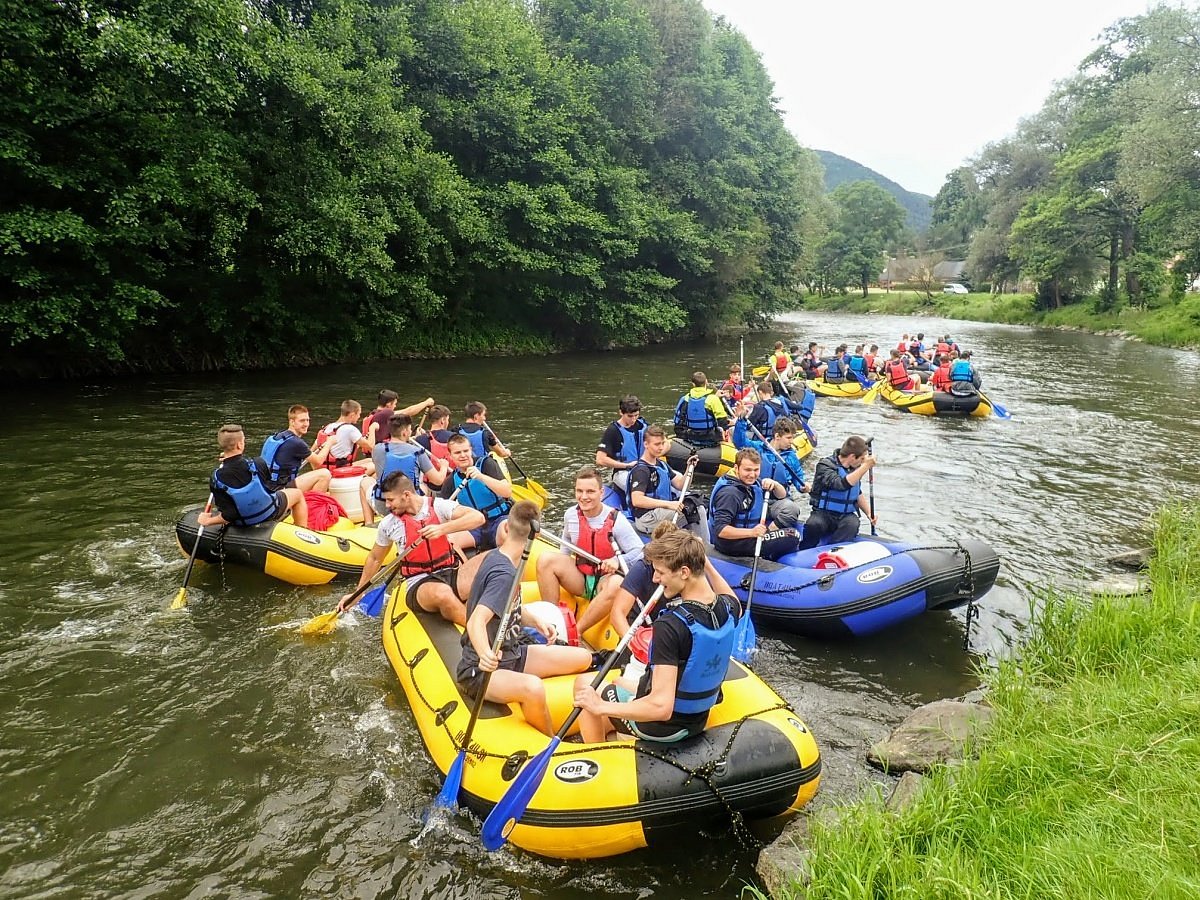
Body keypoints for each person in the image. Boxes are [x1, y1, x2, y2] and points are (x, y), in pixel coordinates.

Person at [572, 528, 741, 744]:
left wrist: (599, 706)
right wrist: (704, 563)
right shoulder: (726, 609)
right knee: (619, 680)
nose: (655, 578)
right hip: (697, 718)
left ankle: (596, 757)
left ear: (684, 572)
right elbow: (731, 598)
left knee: (586, 688)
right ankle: (617, 735)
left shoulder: (670, 626)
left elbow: (661, 707)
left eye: (660, 572)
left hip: (662, 727)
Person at [457, 501, 594, 736]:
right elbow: (475, 621)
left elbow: (510, 607)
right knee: (533, 687)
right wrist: (484, 654)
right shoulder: (504, 573)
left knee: (582, 657)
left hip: (514, 653)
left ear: (506, 528)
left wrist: (536, 622)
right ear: (537, 534)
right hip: (481, 670)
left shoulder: (505, 560)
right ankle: (550, 744)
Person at [337, 472, 485, 624]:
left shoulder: (438, 506)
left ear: (406, 495)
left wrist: (443, 529)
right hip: (419, 582)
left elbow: (478, 518)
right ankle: (477, 633)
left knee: (493, 558)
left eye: (390, 500)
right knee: (443, 593)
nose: (387, 505)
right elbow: (375, 558)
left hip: (450, 572)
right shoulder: (388, 524)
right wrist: (357, 594)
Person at [536, 466, 644, 605]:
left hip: (607, 579)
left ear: (601, 492)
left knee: (615, 584)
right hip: (581, 578)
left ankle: (581, 625)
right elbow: (565, 550)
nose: (584, 497)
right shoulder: (570, 515)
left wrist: (616, 560)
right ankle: (552, 617)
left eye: (590, 491)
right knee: (545, 559)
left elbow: (640, 552)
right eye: (579, 491)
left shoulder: (616, 519)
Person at [199, 424, 308, 529]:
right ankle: (302, 533)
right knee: (297, 494)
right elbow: (270, 490)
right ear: (239, 445)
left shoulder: (216, 477)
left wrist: (208, 521)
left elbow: (229, 515)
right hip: (269, 512)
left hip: (243, 521)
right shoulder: (258, 463)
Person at [708, 447, 799, 561]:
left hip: (749, 534)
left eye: (756, 470)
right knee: (792, 535)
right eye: (748, 470)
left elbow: (782, 495)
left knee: (790, 509)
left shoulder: (752, 482)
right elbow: (721, 531)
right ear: (736, 468)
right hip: (732, 545)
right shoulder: (729, 494)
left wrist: (774, 484)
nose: (752, 475)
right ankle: (775, 563)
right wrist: (752, 532)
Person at [359, 413, 450, 525]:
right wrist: (444, 466)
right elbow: (438, 480)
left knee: (365, 482)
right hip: (409, 506)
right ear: (404, 432)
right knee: (424, 486)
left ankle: (369, 523)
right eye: (410, 429)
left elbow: (380, 472)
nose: (410, 432)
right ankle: (423, 518)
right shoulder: (418, 452)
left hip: (384, 506)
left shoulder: (377, 449)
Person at [798, 435, 877, 550]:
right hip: (823, 513)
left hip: (845, 515)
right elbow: (840, 485)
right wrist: (865, 467)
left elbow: (857, 492)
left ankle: (833, 551)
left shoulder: (855, 468)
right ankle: (805, 550)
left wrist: (869, 513)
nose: (862, 462)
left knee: (853, 524)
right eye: (861, 459)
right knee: (814, 524)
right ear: (852, 457)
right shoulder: (825, 465)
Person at [731, 413, 808, 529]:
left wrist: (803, 486)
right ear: (777, 436)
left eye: (792, 437)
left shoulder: (791, 457)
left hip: (778, 501)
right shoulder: (758, 448)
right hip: (755, 499)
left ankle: (769, 532)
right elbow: (739, 442)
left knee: (792, 509)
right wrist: (741, 421)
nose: (791, 441)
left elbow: (798, 478)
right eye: (788, 438)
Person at [440, 433, 513, 550]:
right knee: (449, 542)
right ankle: (465, 567)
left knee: (506, 533)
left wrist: (481, 477)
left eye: (465, 451)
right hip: (474, 526)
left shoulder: (486, 464)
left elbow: (507, 492)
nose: (463, 455)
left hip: (498, 519)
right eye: (457, 453)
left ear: (471, 450)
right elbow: (441, 509)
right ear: (450, 456)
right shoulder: (451, 481)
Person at [627, 425, 693, 535]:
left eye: (662, 443)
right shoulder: (641, 470)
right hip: (646, 518)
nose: (661, 447)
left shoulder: (662, 465)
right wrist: (668, 504)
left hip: (660, 511)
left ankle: (700, 542)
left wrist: (690, 468)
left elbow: (681, 485)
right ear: (646, 444)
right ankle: (689, 543)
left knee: (696, 505)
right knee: (685, 513)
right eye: (657, 444)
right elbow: (637, 500)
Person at [259, 404, 333, 495]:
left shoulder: (277, 437)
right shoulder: (296, 443)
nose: (306, 424)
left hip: (266, 487)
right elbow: (318, 462)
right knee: (324, 474)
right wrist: (329, 443)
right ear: (292, 422)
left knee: (326, 493)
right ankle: (312, 507)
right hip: (280, 490)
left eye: (307, 420)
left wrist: (316, 446)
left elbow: (305, 454)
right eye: (302, 421)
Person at [595, 395, 648, 493]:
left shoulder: (642, 424)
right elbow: (600, 459)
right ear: (621, 412)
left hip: (644, 467)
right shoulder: (613, 430)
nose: (633, 419)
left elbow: (662, 442)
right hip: (623, 471)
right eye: (630, 416)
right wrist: (626, 465)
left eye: (636, 415)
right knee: (642, 488)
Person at [317, 400, 376, 474]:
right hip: (340, 471)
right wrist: (372, 428)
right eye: (358, 414)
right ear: (352, 415)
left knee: (369, 460)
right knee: (376, 465)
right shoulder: (350, 429)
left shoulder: (329, 427)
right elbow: (371, 446)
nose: (359, 417)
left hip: (330, 468)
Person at [672, 371, 729, 448]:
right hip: (710, 438)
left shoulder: (685, 399)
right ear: (706, 382)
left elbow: (678, 422)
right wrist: (724, 433)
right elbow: (722, 420)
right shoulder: (713, 399)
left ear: (693, 384)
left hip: (691, 437)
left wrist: (681, 436)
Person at [363, 390, 436, 443]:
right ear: (388, 404)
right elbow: (409, 411)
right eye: (395, 404)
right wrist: (426, 403)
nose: (395, 406)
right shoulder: (386, 413)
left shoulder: (373, 413)